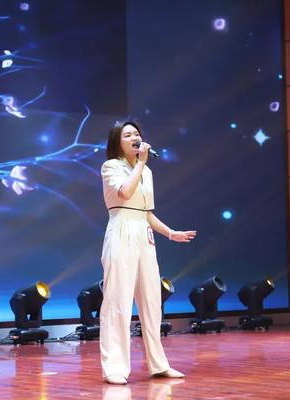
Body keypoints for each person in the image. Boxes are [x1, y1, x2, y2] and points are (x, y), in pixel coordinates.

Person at [99, 121, 197, 385]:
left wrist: (171, 233)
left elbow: (146, 212)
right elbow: (124, 192)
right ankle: (114, 367)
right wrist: (140, 164)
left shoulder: (147, 171)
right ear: (118, 142)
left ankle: (158, 364)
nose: (135, 137)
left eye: (137, 133)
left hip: (144, 233)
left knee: (152, 301)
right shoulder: (111, 166)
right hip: (121, 229)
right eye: (128, 135)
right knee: (118, 301)